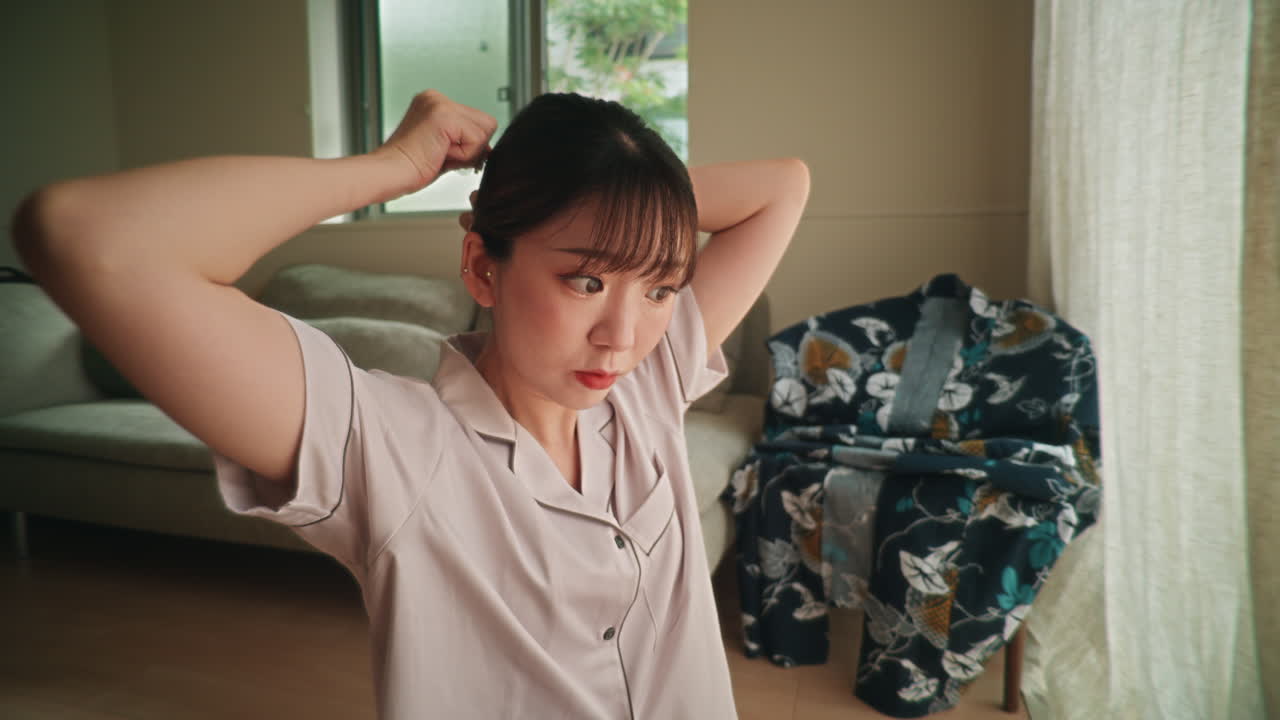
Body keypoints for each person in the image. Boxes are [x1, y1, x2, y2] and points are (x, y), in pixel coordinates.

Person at [13, 90, 809, 718]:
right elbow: (85, 236)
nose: (623, 335)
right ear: (482, 265)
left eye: (662, 287)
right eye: (586, 280)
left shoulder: (646, 385)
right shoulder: (389, 447)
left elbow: (784, 187)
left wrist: (606, 201)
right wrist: (395, 165)